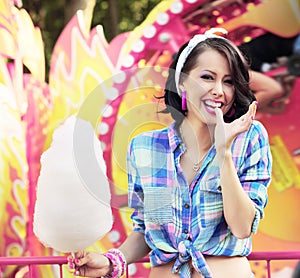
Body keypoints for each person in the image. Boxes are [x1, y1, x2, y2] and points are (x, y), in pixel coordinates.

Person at [68, 28, 272, 278]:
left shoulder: (249, 138)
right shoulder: (148, 148)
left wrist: (224, 152)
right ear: (182, 81)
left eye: (228, 81)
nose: (219, 90)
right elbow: (148, 229)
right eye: (208, 77)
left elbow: (241, 227)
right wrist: (112, 262)